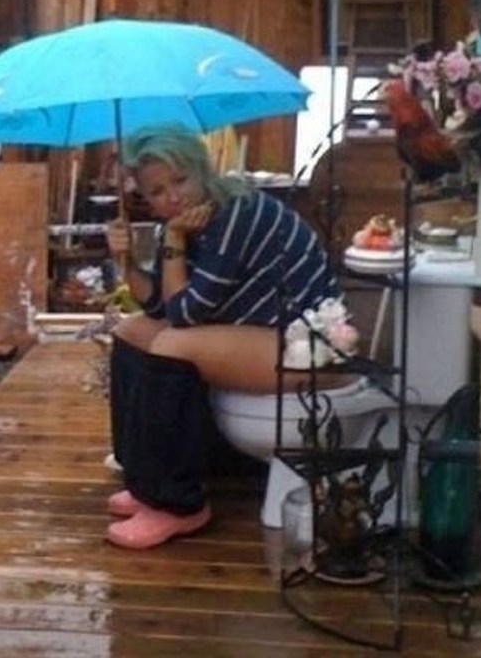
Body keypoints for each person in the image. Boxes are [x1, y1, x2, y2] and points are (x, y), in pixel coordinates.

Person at [104, 124, 352, 550]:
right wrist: (125, 262)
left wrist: (174, 241)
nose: (173, 197)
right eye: (158, 191)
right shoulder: (178, 225)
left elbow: (184, 316)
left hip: (307, 342)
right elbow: (160, 306)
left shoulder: (238, 212)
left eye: (180, 180)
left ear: (202, 170)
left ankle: (178, 505)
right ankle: (145, 479)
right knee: (130, 331)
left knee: (170, 346)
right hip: (257, 332)